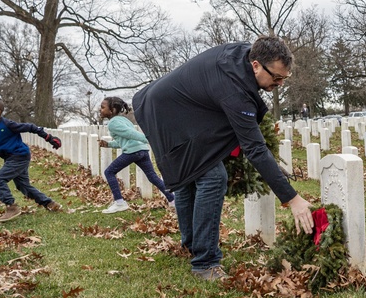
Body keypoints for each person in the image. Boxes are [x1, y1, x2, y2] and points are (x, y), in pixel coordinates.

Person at [134, 36, 313, 281]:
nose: (280, 83)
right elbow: (254, 148)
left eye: (285, 78)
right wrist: (292, 199)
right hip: (167, 113)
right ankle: (205, 263)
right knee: (214, 177)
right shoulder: (233, 90)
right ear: (256, 65)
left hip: (165, 104)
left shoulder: (242, 55)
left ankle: (191, 245)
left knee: (189, 178)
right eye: (277, 77)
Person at [0, 97, 63, 222]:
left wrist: (49, 138)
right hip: (10, 158)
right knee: (23, 186)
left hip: (19, 156)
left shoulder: (8, 125)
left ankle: (11, 207)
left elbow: (31, 127)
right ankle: (49, 203)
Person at [97, 96, 174, 214]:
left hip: (133, 152)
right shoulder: (124, 120)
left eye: (103, 107)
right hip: (142, 150)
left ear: (112, 110)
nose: (100, 110)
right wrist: (108, 145)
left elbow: (131, 134)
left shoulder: (113, 123)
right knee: (152, 176)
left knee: (109, 172)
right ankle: (172, 200)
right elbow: (123, 141)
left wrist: (149, 139)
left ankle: (119, 202)